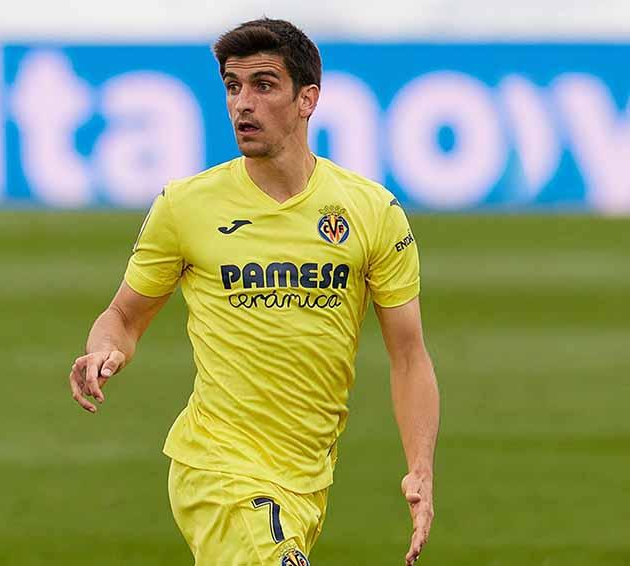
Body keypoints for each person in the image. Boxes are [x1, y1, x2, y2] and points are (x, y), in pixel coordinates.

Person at [68, 17, 439, 566]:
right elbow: (124, 314)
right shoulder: (185, 206)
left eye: (264, 85)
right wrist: (104, 348)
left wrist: (421, 468)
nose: (244, 103)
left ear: (307, 99)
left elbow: (408, 353)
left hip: (306, 479)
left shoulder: (371, 212)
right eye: (233, 86)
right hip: (217, 470)